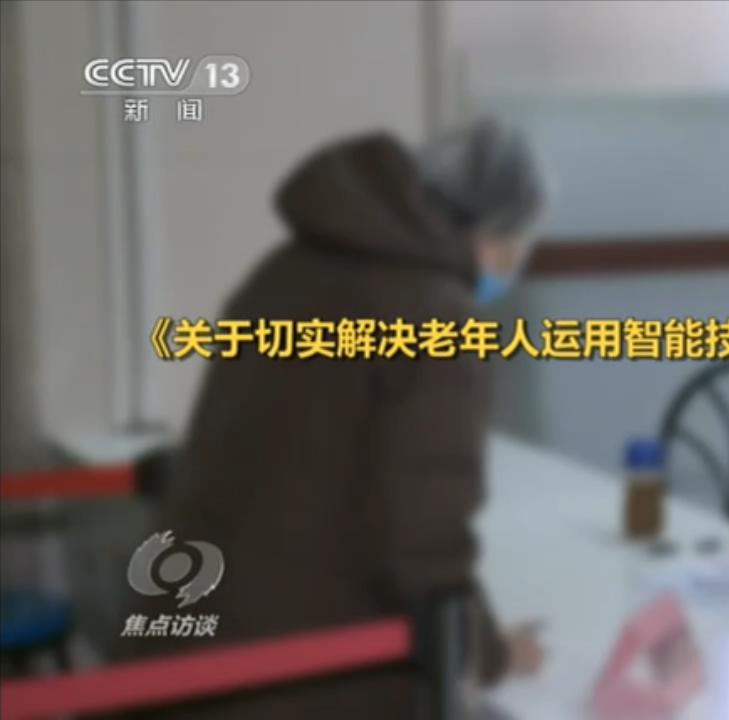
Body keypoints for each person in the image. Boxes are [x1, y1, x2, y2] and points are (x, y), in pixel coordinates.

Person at [150, 119, 547, 718]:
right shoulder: (437, 318)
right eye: (514, 246)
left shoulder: (283, 271)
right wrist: (492, 654)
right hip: (297, 672)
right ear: (485, 228)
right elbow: (425, 549)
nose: (511, 265)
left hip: (189, 629)